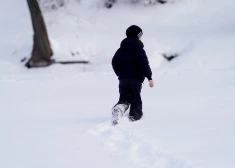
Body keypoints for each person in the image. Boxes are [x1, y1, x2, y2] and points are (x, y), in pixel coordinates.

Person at [111, 25, 154, 125]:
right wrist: (149, 77)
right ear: (137, 36)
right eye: (140, 36)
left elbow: (114, 62)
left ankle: (118, 109)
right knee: (135, 98)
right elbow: (144, 64)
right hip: (136, 80)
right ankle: (135, 117)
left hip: (123, 79)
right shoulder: (139, 50)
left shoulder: (120, 50)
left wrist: (120, 74)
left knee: (124, 98)